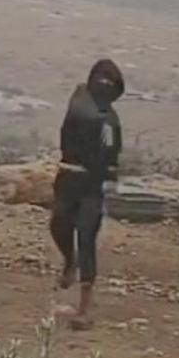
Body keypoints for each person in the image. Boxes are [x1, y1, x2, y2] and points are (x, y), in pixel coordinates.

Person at [51, 59, 127, 330]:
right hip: (69, 176)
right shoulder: (81, 102)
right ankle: (69, 261)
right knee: (59, 224)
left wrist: (109, 180)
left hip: (92, 185)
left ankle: (85, 306)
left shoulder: (110, 121)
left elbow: (112, 155)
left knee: (86, 234)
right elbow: (78, 119)